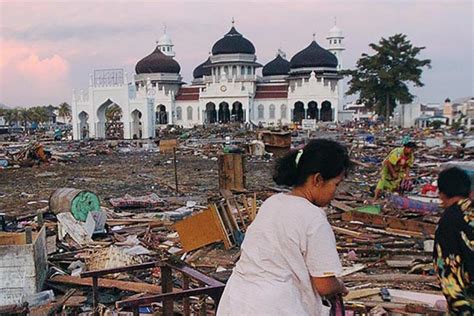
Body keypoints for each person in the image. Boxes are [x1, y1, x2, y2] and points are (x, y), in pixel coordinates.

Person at [217, 139, 351, 316]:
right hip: (276, 306)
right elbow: (324, 284)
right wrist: (340, 286)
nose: (336, 192)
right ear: (318, 179)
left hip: (237, 301)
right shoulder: (313, 217)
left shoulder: (273, 203)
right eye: (336, 184)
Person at [433, 167, 473, 315]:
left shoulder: (449, 221)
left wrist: (462, 311)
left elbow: (446, 270)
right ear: (469, 192)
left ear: (442, 194)